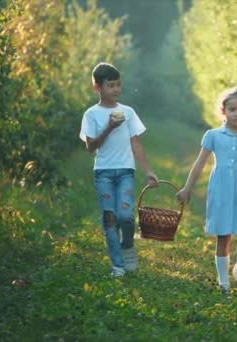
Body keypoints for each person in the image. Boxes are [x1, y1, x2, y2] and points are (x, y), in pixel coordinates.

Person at [176, 86, 237, 292]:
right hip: (221, 189)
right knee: (223, 235)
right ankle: (223, 280)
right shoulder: (213, 135)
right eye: (232, 109)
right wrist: (187, 188)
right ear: (223, 111)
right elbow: (199, 163)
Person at [79, 62, 159, 277]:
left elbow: (136, 144)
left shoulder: (128, 112)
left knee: (125, 216)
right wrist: (109, 127)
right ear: (97, 88)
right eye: (110, 86)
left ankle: (128, 245)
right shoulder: (91, 114)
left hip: (125, 171)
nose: (115, 90)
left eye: (118, 85)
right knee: (110, 218)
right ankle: (118, 266)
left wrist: (148, 171)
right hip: (103, 172)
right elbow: (90, 147)